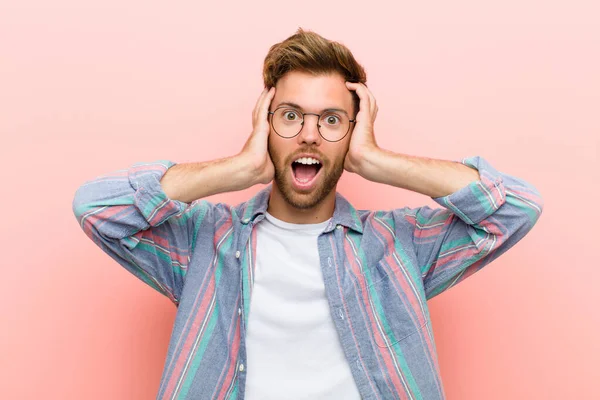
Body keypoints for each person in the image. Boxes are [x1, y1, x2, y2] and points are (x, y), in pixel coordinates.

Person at [72, 28, 544, 400]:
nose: (310, 136)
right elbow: (95, 208)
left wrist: (376, 161)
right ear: (265, 124)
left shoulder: (400, 245)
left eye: (332, 120)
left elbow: (518, 208)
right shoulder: (203, 242)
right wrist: (239, 168)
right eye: (291, 116)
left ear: (354, 133)